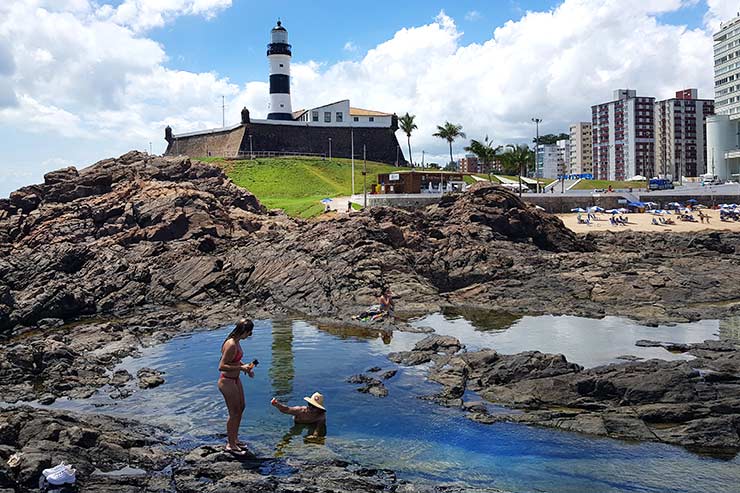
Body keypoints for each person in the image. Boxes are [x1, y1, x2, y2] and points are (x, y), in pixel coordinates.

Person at [218, 319, 257, 456]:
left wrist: (246, 368)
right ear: (245, 331)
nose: (250, 335)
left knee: (241, 408)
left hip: (235, 379)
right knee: (234, 412)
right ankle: (230, 444)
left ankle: (235, 439)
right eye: (250, 332)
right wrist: (241, 367)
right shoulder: (231, 344)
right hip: (227, 381)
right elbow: (221, 366)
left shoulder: (237, 342)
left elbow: (234, 360)